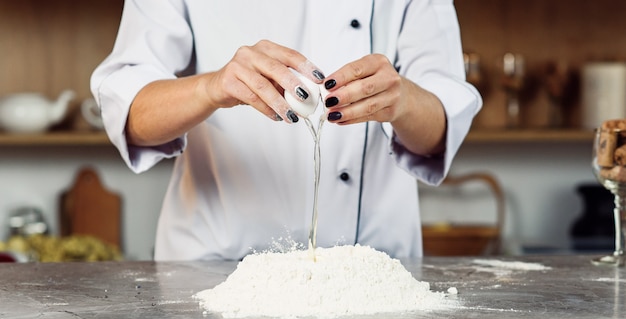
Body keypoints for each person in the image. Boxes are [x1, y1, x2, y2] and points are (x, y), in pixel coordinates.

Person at [91, 0, 482, 261]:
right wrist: (211, 87)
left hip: (373, 268)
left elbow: (440, 130)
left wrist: (406, 101)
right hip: (217, 269)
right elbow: (131, 114)